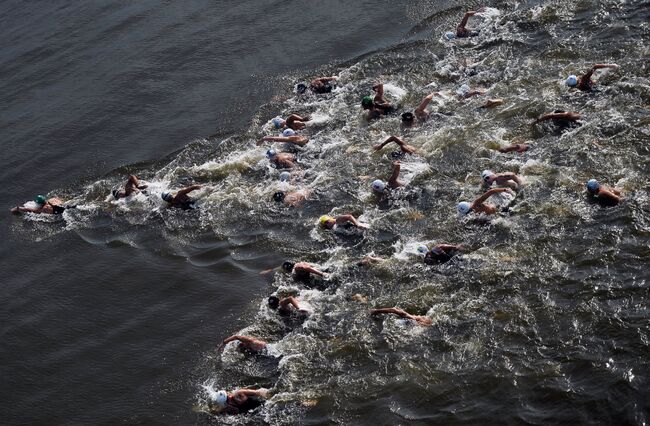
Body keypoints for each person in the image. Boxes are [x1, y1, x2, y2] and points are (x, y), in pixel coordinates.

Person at [11, 195, 76, 215]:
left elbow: (28, 209)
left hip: (63, 213)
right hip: (67, 206)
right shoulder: (53, 199)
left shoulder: (43, 209)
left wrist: (17, 208)